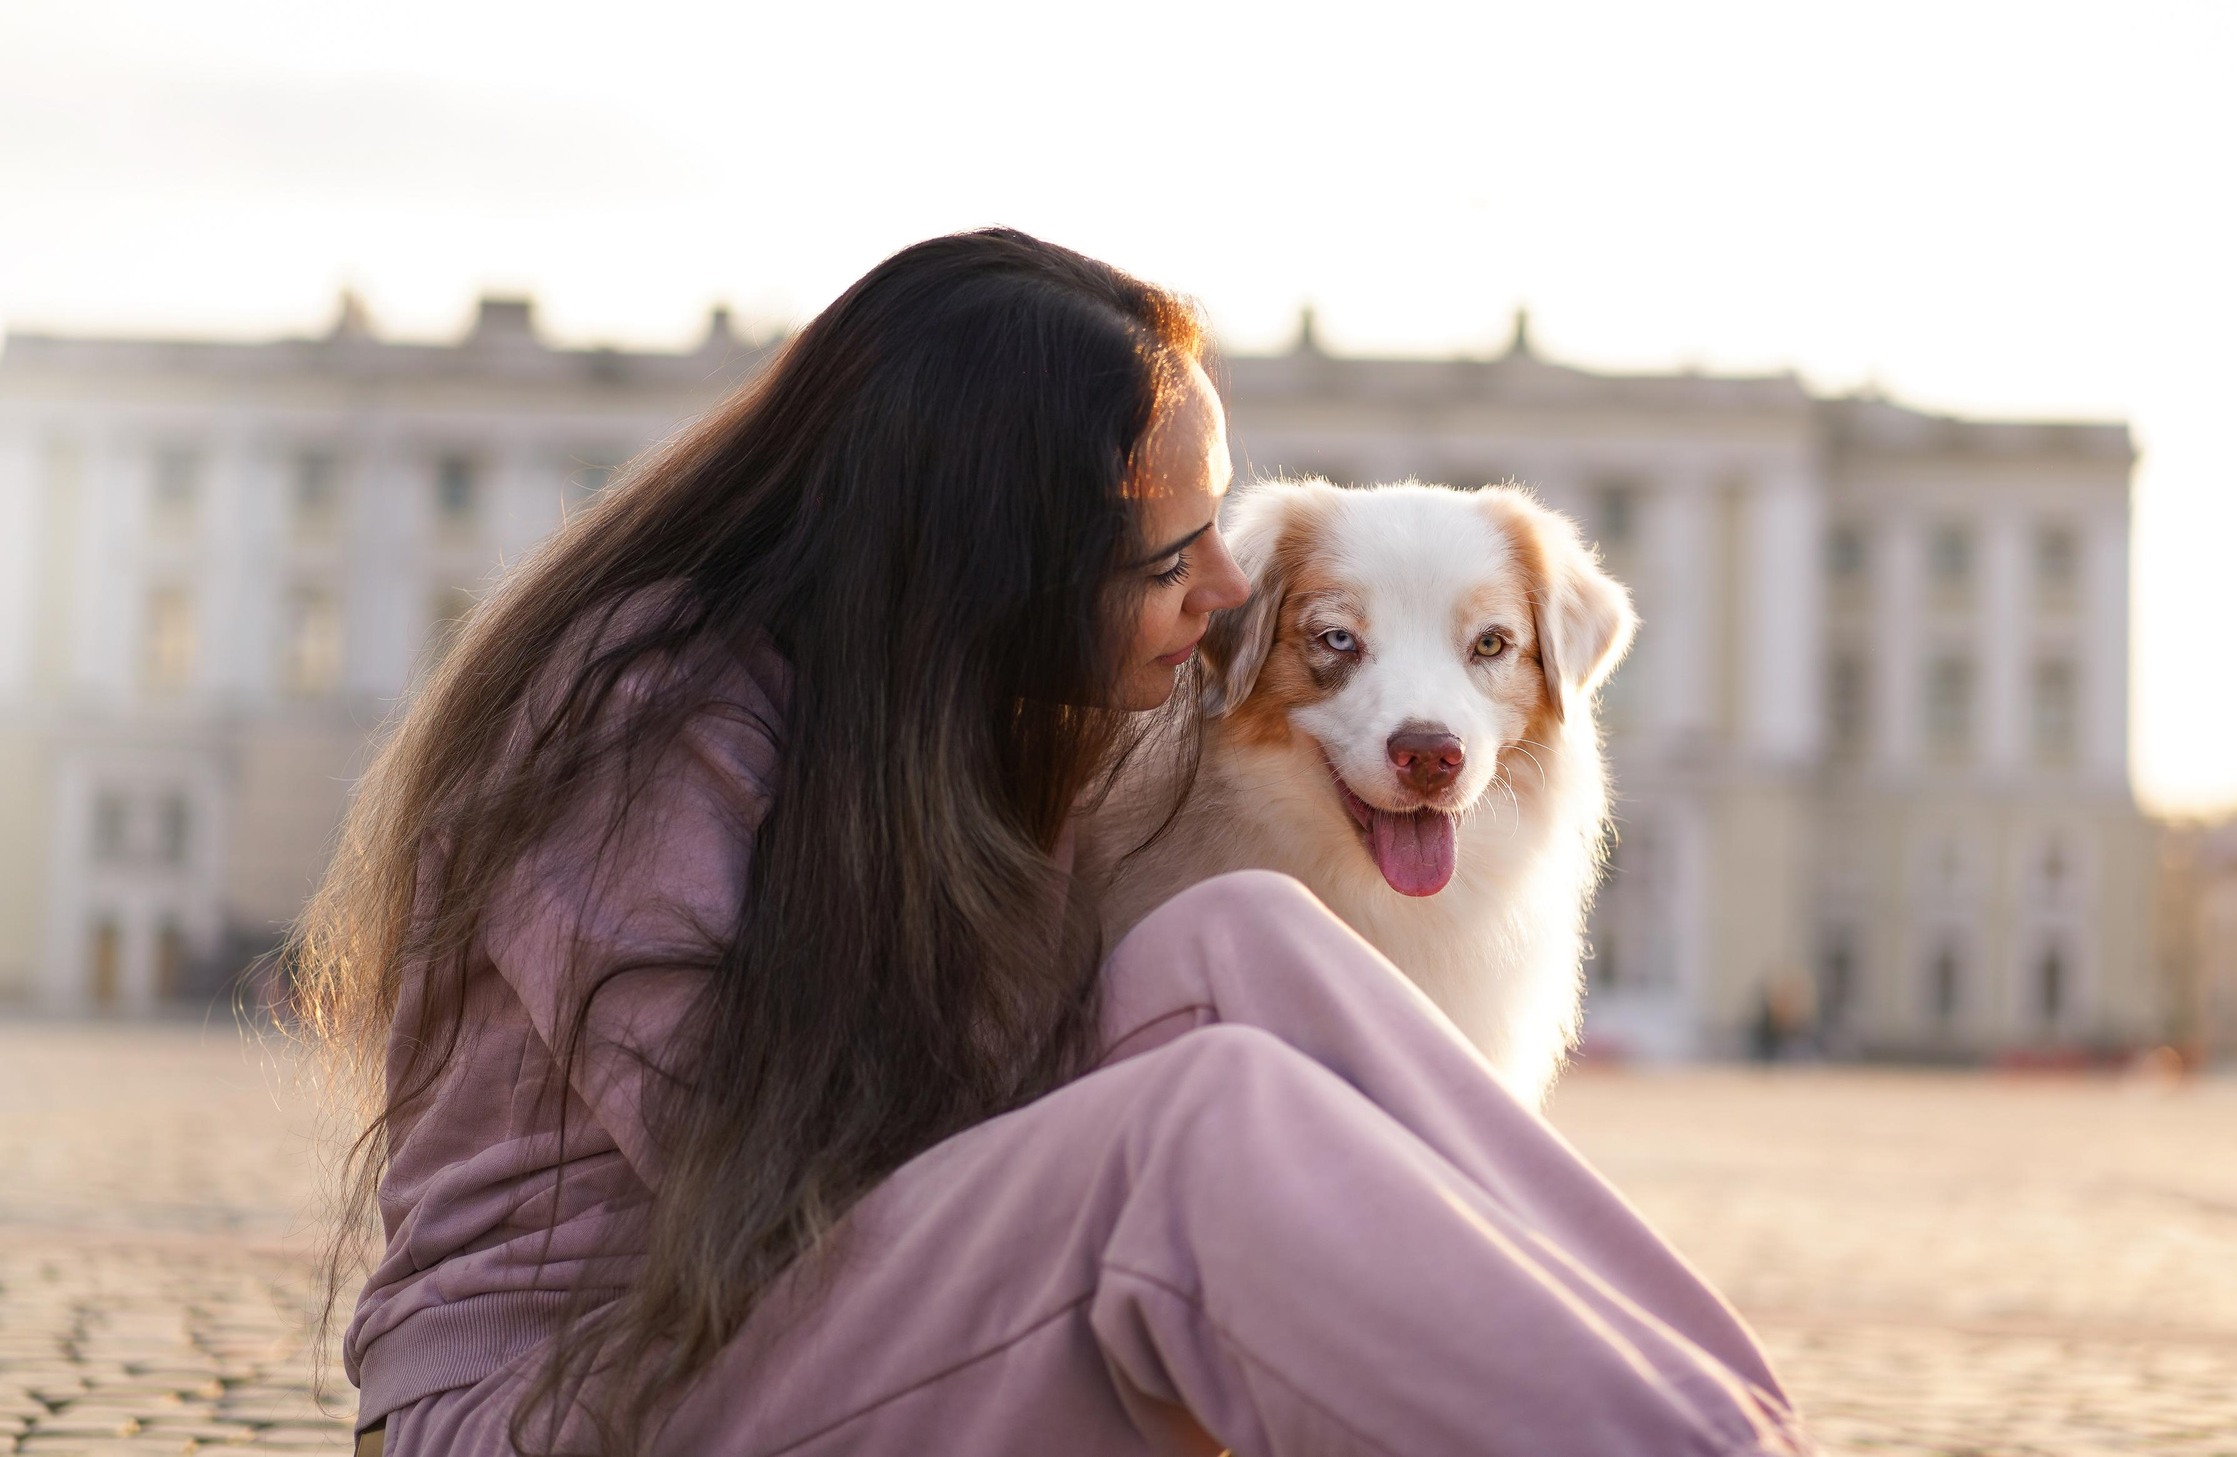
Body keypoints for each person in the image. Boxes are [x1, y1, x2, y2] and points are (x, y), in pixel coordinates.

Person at [290, 229, 1811, 1456]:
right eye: (1170, 552)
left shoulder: (939, 711)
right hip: (570, 1399)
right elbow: (743, 1163)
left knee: (1242, 942)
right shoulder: (637, 706)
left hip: (771, 1344)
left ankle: (1731, 1430)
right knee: (1194, 1126)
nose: (1225, 589)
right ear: (993, 555)